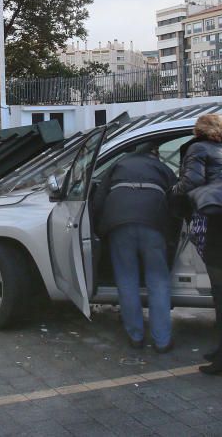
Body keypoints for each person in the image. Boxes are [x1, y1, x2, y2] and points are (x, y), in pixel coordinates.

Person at [173, 113, 222, 378]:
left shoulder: (197, 148)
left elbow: (190, 183)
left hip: (217, 224)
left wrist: (171, 193)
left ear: (198, 130)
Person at [95, 142, 177, 353]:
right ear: (155, 153)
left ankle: (136, 336)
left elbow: (98, 200)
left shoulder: (119, 164)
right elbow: (178, 198)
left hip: (119, 224)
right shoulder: (162, 168)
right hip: (153, 223)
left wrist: (99, 229)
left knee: (126, 279)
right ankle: (162, 340)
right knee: (158, 280)